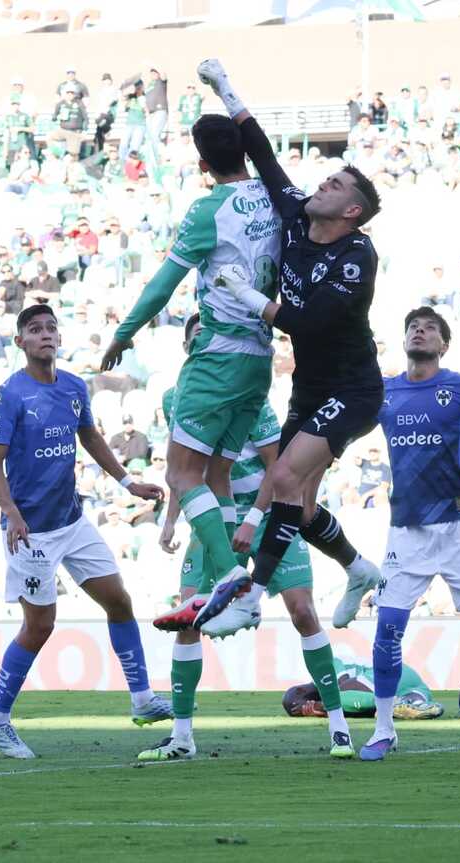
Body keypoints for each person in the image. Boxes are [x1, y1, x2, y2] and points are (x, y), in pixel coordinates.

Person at [190, 58, 384, 637]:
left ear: (351, 211)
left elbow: (309, 323)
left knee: (282, 481)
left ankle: (248, 595)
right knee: (296, 504)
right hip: (312, 385)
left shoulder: (357, 257)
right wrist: (226, 89)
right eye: (326, 180)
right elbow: (263, 156)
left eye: (335, 185)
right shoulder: (299, 219)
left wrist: (247, 296)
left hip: (353, 389)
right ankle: (356, 566)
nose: (321, 184)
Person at [100, 110, 280, 635]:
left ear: (202, 164)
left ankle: (230, 577)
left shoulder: (208, 210)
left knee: (183, 475)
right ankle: (214, 586)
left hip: (217, 358)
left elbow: (163, 284)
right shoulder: (274, 197)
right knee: (218, 476)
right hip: (260, 359)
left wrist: (125, 332)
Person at [143, 315, 353, 761]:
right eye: (197, 338)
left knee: (302, 611)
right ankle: (182, 737)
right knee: (188, 618)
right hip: (211, 521)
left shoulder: (252, 399)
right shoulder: (175, 398)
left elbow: (278, 470)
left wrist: (253, 520)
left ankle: (338, 727)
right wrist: (170, 519)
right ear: (189, 350)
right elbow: (183, 468)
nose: (206, 344)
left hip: (265, 516)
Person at [0, 304, 172, 759]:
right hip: (31, 532)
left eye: (51, 327)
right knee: (40, 625)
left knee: (119, 601)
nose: (45, 335)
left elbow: (90, 438)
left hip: (72, 520)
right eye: (35, 329)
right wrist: (11, 512)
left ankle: (142, 699)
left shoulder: (72, 386)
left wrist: (128, 482)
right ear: (20, 342)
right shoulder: (9, 395)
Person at [361, 306, 460, 760]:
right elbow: (344, 429)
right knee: (388, 629)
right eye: (413, 325)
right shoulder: (385, 392)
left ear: (443, 344)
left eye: (430, 327)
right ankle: (384, 727)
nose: (419, 330)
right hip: (407, 532)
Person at [283, 658, 444, 721]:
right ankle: (417, 703)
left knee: (341, 692)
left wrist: (322, 706)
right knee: (362, 709)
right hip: (413, 686)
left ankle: (391, 703)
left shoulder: (325, 667)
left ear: (299, 691)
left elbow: (345, 687)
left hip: (389, 672)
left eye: (299, 707)